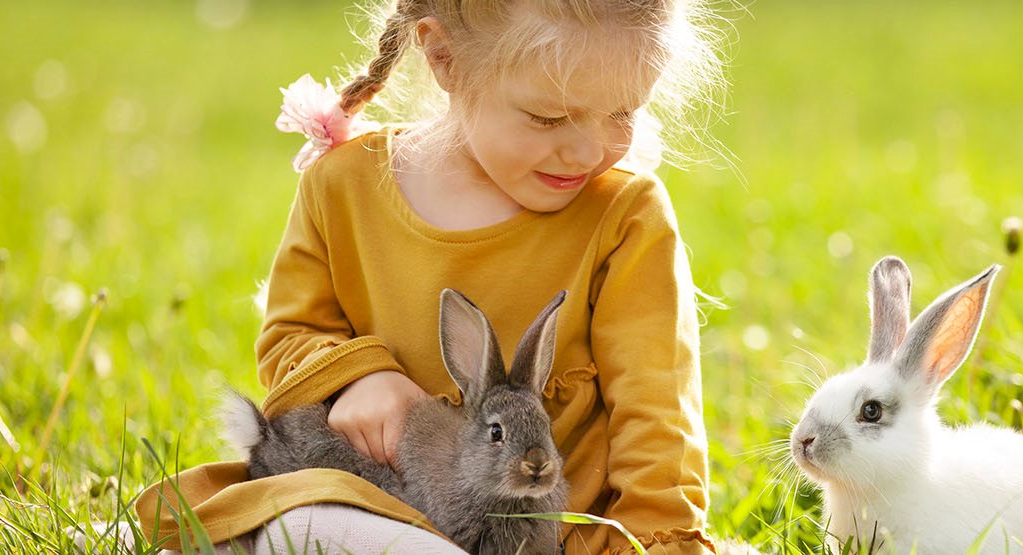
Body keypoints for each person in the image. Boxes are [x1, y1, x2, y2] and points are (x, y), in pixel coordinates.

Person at [135, 1, 728, 553]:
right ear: (444, 58)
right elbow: (289, 337)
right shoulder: (342, 187)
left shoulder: (626, 218)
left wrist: (658, 540)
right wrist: (359, 378)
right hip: (375, 504)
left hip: (547, 535)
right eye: (549, 118)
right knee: (302, 522)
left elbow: (658, 415)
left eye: (623, 111)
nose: (588, 150)